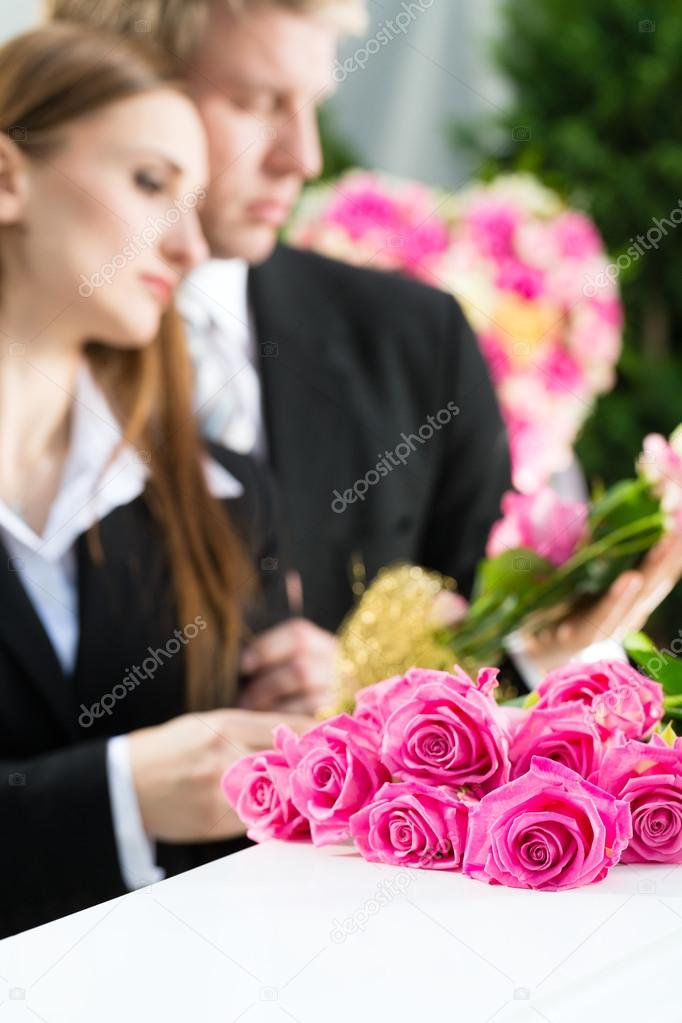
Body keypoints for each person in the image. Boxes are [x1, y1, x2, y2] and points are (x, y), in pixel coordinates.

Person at [48, 0, 682, 708]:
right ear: (119, 85)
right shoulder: (31, 360)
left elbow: (501, 659)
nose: (304, 156)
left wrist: (377, 690)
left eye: (312, 103)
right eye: (257, 104)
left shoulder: (415, 339)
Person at [0, 23, 311, 938]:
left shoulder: (224, 499)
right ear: (9, 176)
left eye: (196, 199)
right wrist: (117, 793)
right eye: (150, 185)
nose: (187, 246)